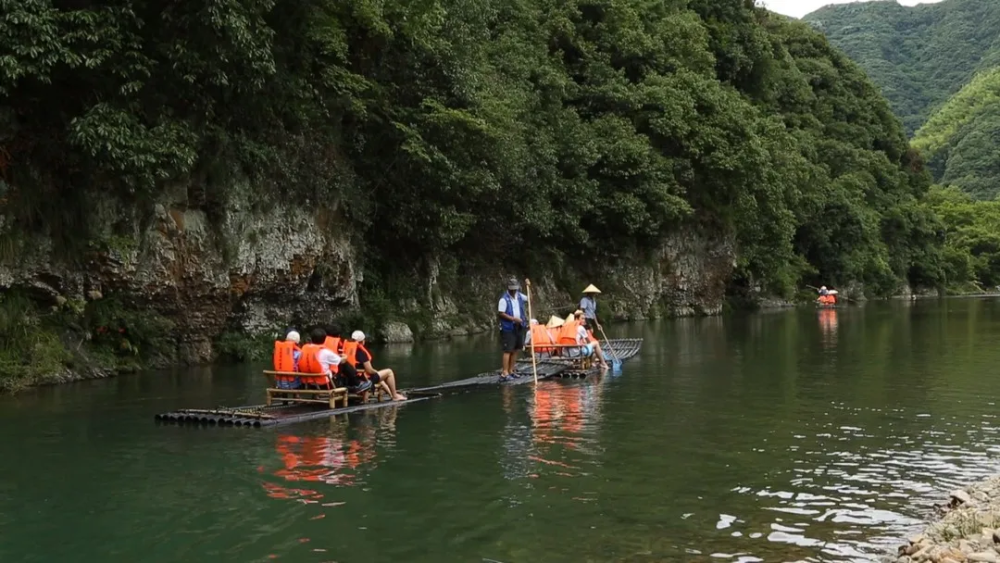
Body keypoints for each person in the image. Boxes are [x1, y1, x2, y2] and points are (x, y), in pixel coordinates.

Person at [299, 328, 368, 392]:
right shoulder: (325, 352)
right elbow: (341, 361)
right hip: (325, 384)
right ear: (324, 339)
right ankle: (357, 384)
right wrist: (345, 357)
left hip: (308, 384)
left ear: (311, 339)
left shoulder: (303, 350)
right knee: (343, 363)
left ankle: (356, 384)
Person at [350, 331, 407, 401]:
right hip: (363, 379)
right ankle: (394, 396)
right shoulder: (361, 352)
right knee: (389, 372)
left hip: (351, 378)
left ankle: (392, 394)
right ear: (362, 341)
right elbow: (369, 370)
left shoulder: (348, 350)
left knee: (380, 377)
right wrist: (375, 371)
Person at [497, 277, 528, 381]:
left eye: (515, 289)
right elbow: (501, 314)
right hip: (508, 327)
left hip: (518, 326)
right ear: (509, 288)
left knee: (515, 349)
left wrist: (529, 286)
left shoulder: (519, 296)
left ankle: (511, 370)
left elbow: (530, 298)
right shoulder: (503, 299)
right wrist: (514, 319)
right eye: (512, 289)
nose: (514, 291)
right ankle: (504, 372)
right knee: (508, 350)